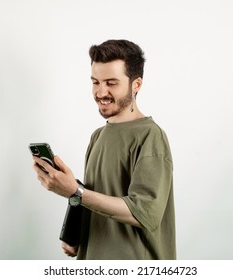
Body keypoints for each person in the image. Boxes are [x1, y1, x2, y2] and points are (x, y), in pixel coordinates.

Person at [33, 39, 176, 260]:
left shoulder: (151, 136)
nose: (101, 92)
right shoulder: (98, 136)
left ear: (136, 84)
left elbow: (143, 212)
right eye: (95, 82)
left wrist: (75, 192)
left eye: (111, 83)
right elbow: (95, 197)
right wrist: (77, 231)